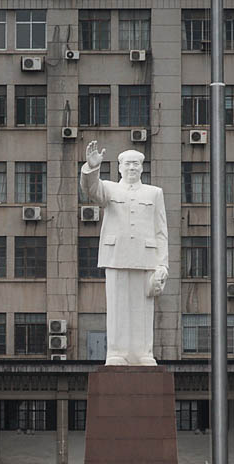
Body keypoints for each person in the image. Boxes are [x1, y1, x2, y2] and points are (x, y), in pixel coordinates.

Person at [79, 141, 169, 366]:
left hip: (145, 257)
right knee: (118, 307)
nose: (131, 168)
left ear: (142, 168)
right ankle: (116, 352)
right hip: (116, 256)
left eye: (136, 164)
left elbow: (161, 231)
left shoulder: (154, 193)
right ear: (119, 168)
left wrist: (162, 265)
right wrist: (92, 168)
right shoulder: (110, 189)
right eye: (127, 164)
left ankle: (143, 352)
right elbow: (91, 190)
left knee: (143, 309)